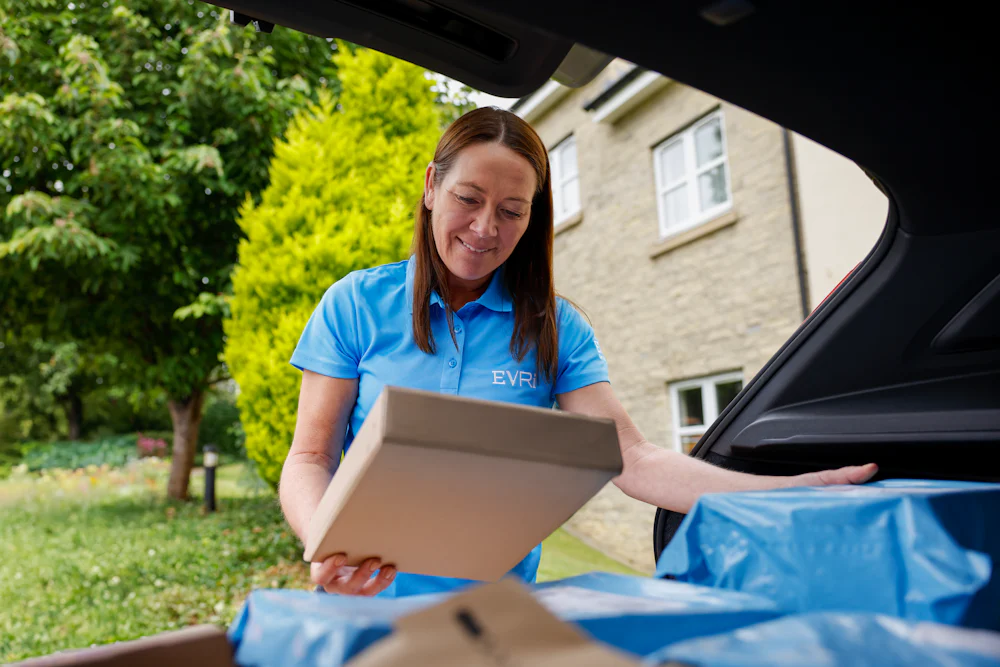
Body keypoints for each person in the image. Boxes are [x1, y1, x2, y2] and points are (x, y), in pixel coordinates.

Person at [280, 106, 878, 598]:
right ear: (432, 187)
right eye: (468, 198)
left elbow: (633, 459)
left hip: (493, 621)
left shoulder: (554, 327)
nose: (486, 227)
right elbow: (310, 457)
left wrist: (786, 492)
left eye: (512, 211)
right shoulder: (356, 304)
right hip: (362, 606)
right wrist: (324, 544)